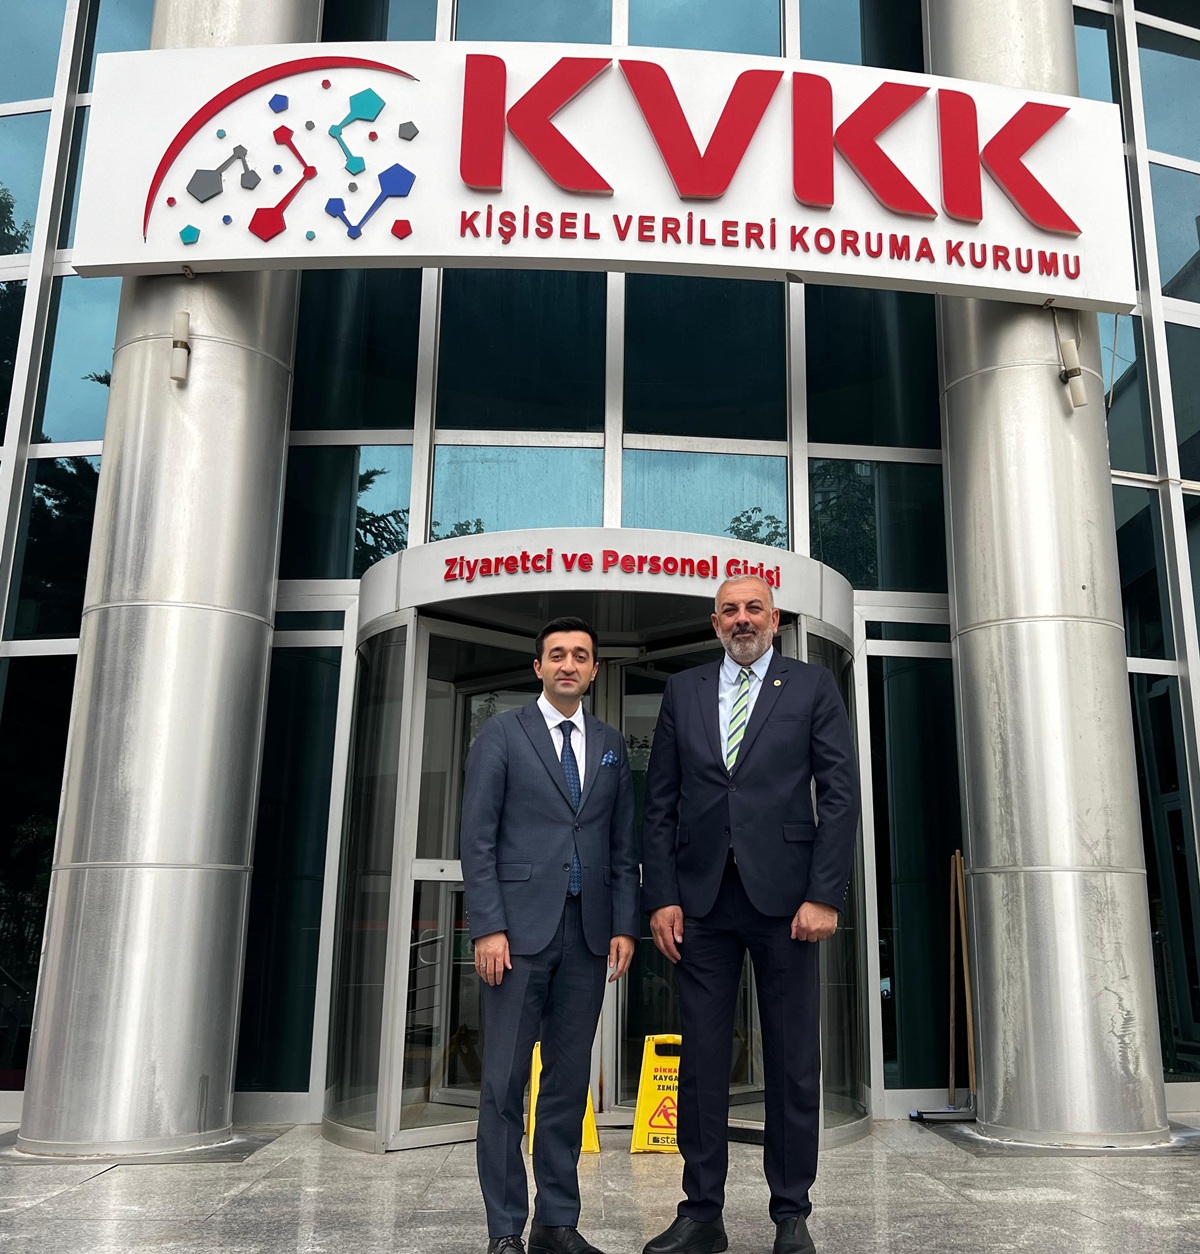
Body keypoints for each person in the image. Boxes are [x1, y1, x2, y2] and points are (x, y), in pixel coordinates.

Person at [640, 577, 860, 1254]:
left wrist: (825, 894)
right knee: (702, 1061)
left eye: (753, 609)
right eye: (730, 610)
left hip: (788, 903)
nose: (742, 619)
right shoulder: (683, 691)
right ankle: (701, 1214)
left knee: (792, 1062)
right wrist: (662, 896)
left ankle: (791, 1213)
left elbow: (840, 793)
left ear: (775, 618)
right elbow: (660, 802)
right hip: (701, 903)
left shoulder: (811, 687)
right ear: (715, 623)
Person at [461, 616, 640, 1254]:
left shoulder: (611, 744)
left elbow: (622, 846)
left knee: (567, 1087)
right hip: (515, 938)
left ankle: (556, 1223)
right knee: (503, 1086)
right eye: (557, 655)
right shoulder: (502, 734)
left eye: (580, 656)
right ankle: (505, 1230)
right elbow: (478, 838)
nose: (569, 664)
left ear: (593, 670)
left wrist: (625, 925)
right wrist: (488, 926)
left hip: (588, 937)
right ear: (538, 667)